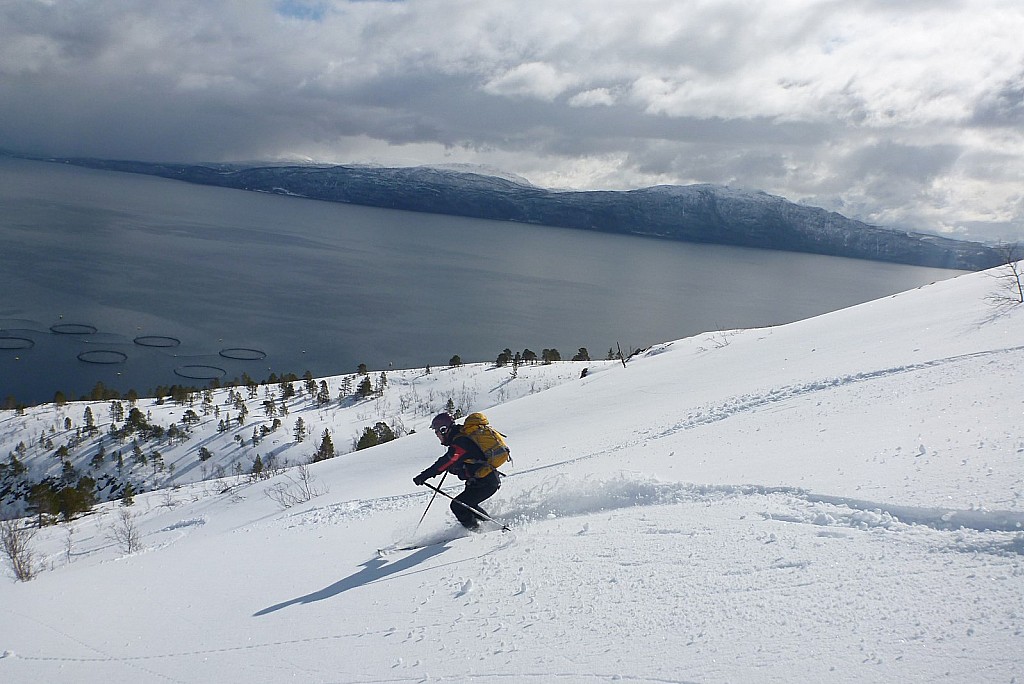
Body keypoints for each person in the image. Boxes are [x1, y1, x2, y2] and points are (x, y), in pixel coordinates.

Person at [413, 412, 500, 529]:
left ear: (444, 429)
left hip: (486, 483)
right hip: (480, 481)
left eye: (437, 432)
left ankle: (476, 532)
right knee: (468, 506)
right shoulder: (459, 438)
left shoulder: (460, 443)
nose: (437, 435)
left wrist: (424, 476)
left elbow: (444, 462)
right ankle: (491, 527)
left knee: (457, 506)